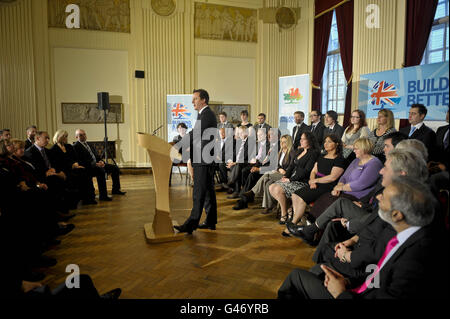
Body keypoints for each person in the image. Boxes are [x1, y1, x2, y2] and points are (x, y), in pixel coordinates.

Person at [277, 176, 444, 300]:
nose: (378, 198)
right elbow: (378, 272)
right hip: (358, 282)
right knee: (317, 270)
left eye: (383, 197)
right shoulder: (400, 233)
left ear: (396, 214)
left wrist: (341, 292)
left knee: (295, 277)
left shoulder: (414, 260)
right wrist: (348, 281)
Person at [290, 148, 428, 247]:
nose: (381, 171)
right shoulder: (358, 162)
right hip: (363, 205)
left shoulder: (406, 194)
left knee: (337, 203)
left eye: (385, 167)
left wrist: (350, 223)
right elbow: (368, 193)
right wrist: (359, 201)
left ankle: (311, 232)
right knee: (329, 200)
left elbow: (381, 223)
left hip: (364, 210)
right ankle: (313, 236)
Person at [282, 134, 346, 237]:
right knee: (295, 195)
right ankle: (299, 222)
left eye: (329, 142)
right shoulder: (321, 156)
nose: (326, 144)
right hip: (315, 183)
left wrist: (316, 180)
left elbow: (333, 177)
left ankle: (293, 224)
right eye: (325, 141)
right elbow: (313, 171)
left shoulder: (339, 159)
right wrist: (312, 181)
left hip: (327, 186)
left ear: (337, 144)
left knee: (301, 198)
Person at [307, 137, 383, 221]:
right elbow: (344, 176)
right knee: (324, 198)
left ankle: (316, 227)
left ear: (364, 149)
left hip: (358, 196)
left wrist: (341, 188)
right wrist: (338, 186)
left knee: (331, 204)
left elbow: (360, 184)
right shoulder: (356, 160)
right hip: (345, 192)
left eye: (356, 149)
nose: (354, 151)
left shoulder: (374, 163)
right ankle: (312, 223)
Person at [174, 89, 218, 234]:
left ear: (203, 100)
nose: (193, 101)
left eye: (195, 99)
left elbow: (195, 133)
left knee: (199, 192)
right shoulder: (204, 114)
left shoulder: (206, 114)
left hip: (203, 159)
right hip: (204, 158)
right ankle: (211, 221)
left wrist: (179, 144)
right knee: (207, 192)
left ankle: (191, 224)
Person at [269, 132, 320, 226]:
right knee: (272, 187)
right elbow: (292, 166)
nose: (301, 140)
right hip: (292, 178)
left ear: (309, 140)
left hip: (302, 182)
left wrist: (290, 179)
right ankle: (286, 211)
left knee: (277, 188)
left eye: (303, 139)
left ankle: (285, 214)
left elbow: (307, 171)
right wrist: (286, 176)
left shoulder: (314, 153)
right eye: (300, 138)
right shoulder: (300, 151)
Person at [73, 129, 125, 201]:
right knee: (101, 171)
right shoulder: (75, 147)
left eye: (84, 134)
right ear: (76, 137)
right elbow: (80, 161)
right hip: (88, 167)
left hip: (97, 164)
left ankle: (116, 189)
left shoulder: (89, 144)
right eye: (81, 135)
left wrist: (101, 162)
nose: (83, 136)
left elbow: (97, 156)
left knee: (114, 168)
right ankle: (103, 195)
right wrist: (94, 164)